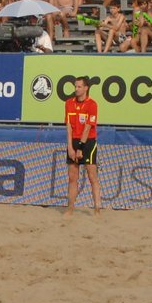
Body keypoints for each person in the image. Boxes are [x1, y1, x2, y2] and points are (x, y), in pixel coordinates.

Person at [63, 74, 101, 215]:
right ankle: (70, 209)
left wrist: (79, 147)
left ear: (86, 88)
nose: (76, 89)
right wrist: (70, 146)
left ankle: (97, 209)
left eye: (79, 86)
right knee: (72, 177)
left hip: (88, 142)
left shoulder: (92, 104)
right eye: (75, 86)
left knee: (92, 176)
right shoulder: (69, 103)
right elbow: (68, 126)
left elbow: (88, 127)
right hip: (73, 141)